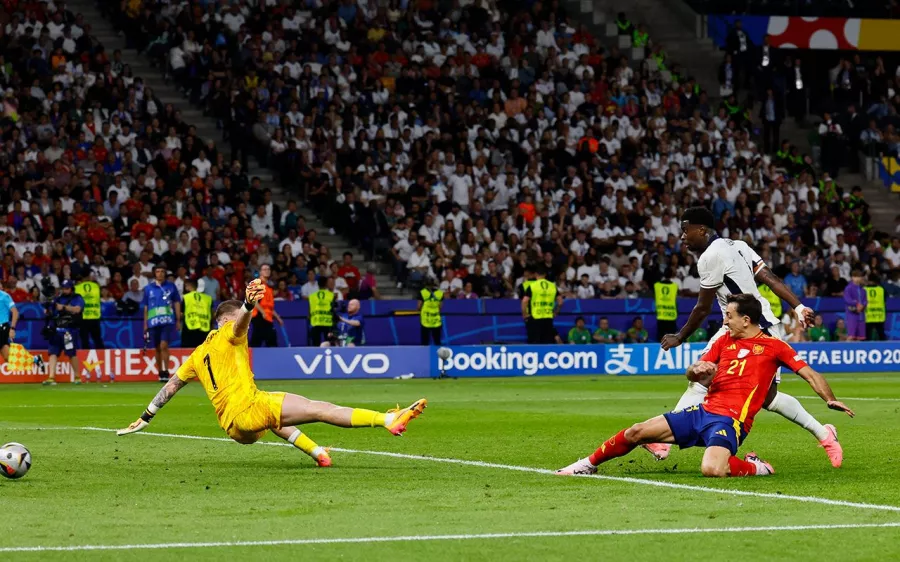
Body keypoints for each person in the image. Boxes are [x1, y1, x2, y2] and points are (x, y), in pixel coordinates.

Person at [117, 280, 427, 467]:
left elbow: (171, 386)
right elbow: (239, 325)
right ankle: (387, 420)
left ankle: (318, 452)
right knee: (319, 409)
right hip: (249, 410)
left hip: (235, 429)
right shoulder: (228, 331)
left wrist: (145, 417)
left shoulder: (197, 354)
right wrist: (248, 307)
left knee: (277, 415)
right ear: (224, 319)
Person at [557, 294, 854, 477]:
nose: (724, 320)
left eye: (729, 316)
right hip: (702, 411)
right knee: (637, 431)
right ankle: (587, 464)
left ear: (746, 319)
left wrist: (830, 399)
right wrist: (695, 370)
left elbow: (811, 374)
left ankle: (756, 467)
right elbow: (692, 373)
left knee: (712, 469)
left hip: (731, 420)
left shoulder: (775, 347)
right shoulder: (724, 340)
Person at [656, 207, 842, 467]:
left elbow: (702, 307)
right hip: (733, 326)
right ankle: (664, 439)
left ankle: (825, 434)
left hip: (755, 327)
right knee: (702, 376)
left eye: (686, 230)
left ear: (702, 230)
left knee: (767, 397)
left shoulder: (710, 256)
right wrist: (798, 306)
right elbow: (769, 278)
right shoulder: (739, 245)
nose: (683, 237)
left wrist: (680, 336)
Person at [143, 264, 182, 382]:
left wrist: (178, 319)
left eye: (162, 271)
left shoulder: (171, 286)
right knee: (157, 348)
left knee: (164, 345)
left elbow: (176, 303)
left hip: (167, 321)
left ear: (165, 273)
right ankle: (160, 371)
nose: (160, 273)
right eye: (157, 271)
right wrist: (145, 324)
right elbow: (146, 307)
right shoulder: (148, 288)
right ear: (154, 273)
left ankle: (166, 371)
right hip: (153, 321)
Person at [43, 281, 84, 386]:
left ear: (71, 288)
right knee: (53, 353)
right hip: (57, 330)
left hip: (69, 330)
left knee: (71, 354)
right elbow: (50, 311)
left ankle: (77, 376)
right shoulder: (58, 298)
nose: (65, 290)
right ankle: (51, 377)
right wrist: (48, 309)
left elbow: (78, 309)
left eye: (67, 288)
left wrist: (64, 307)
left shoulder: (77, 298)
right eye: (63, 288)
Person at [522, 265, 560, 344]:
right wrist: (555, 312)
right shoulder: (552, 286)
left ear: (536, 274)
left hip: (535, 318)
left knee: (534, 343)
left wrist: (525, 314)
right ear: (545, 275)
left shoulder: (532, 286)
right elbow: (560, 301)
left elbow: (524, 301)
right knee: (547, 343)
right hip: (548, 318)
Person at [250, 264, 283, 347]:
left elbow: (270, 307)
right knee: (261, 340)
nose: (267, 271)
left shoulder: (268, 288)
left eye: (268, 269)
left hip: (267, 318)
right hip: (259, 317)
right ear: (260, 272)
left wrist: (278, 318)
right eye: (264, 269)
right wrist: (263, 312)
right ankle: (248, 358)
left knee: (267, 340)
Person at [182, 279, 213, 348]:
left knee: (189, 353)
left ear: (188, 286)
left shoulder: (186, 297)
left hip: (189, 329)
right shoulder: (208, 298)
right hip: (205, 329)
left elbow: (181, 313)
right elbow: (212, 314)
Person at [75, 275, 103, 350]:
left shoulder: (77, 287)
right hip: (94, 316)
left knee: (84, 340)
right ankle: (102, 357)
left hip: (83, 317)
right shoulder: (96, 286)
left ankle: (85, 358)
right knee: (97, 339)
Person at [308, 276, 334, 346]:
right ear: (326, 284)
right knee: (329, 344)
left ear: (318, 284)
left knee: (315, 344)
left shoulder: (312, 296)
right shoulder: (331, 295)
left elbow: (310, 310)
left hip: (315, 322)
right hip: (328, 322)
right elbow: (333, 310)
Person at [654, 269, 678, 342]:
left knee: (660, 338)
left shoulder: (657, 285)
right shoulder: (674, 286)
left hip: (661, 314)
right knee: (672, 338)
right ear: (671, 276)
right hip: (671, 314)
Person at [418, 278, 444, 345]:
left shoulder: (422, 292)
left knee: (425, 342)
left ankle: (424, 355)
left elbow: (419, 307)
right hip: (436, 320)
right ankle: (439, 355)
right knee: (437, 341)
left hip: (425, 321)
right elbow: (440, 307)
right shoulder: (440, 293)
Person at [843, 270, 867, 341]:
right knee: (851, 335)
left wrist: (863, 305)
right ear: (852, 277)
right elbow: (847, 299)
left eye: (859, 277)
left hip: (861, 315)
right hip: (852, 314)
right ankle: (847, 350)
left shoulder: (863, 290)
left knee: (860, 337)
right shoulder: (848, 288)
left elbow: (865, 300)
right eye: (855, 276)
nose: (857, 279)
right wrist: (857, 304)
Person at [0, 286, 20, 361]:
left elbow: (15, 312)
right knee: (8, 357)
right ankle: (35, 359)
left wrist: (12, 328)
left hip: (2, 328)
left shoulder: (4, 296)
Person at [864, 274, 885, 341]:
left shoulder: (863, 289)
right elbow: (885, 300)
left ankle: (866, 350)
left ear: (868, 280)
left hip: (868, 316)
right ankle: (885, 349)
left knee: (867, 336)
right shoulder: (881, 289)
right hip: (879, 316)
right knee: (881, 336)